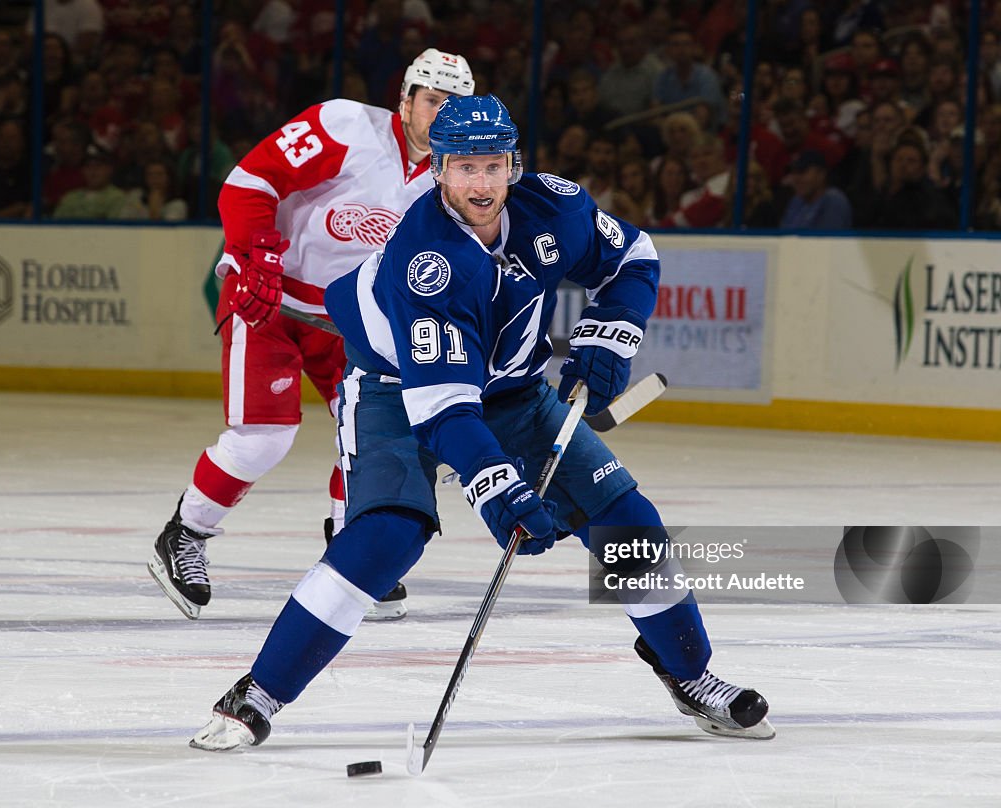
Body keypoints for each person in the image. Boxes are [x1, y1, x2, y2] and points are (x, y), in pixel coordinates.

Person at [188, 93, 774, 752]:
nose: (482, 184)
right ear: (438, 170)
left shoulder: (554, 208)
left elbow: (633, 257)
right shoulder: (426, 261)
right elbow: (444, 414)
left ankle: (691, 674)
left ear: (511, 166)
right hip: (392, 387)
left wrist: (609, 337)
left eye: (493, 166)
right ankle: (259, 691)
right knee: (387, 537)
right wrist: (502, 491)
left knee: (626, 520)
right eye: (465, 168)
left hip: (514, 391)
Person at [148, 49, 475, 623]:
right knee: (262, 441)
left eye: (455, 104)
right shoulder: (344, 125)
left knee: (376, 436)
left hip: (350, 321)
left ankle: (350, 552)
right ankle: (186, 532)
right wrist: (253, 257)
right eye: (432, 99)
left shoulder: (456, 179)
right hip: (272, 301)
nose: (442, 113)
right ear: (405, 99)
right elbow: (248, 183)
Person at [780, 150, 853, 229]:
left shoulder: (834, 201)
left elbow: (826, 239)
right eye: (793, 172)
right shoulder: (796, 201)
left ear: (821, 174)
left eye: (802, 172)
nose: (796, 178)